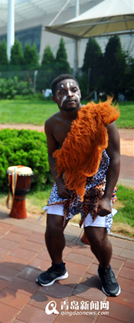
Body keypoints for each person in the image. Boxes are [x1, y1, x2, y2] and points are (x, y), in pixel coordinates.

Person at [38, 74, 121, 297]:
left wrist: (106, 197)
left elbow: (115, 158)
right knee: (53, 226)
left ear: (80, 93)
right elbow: (52, 156)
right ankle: (58, 267)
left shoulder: (102, 118)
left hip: (98, 185)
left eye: (73, 90)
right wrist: (58, 181)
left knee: (95, 237)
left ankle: (105, 270)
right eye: (63, 92)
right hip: (68, 182)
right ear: (55, 98)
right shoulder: (52, 124)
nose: (69, 95)